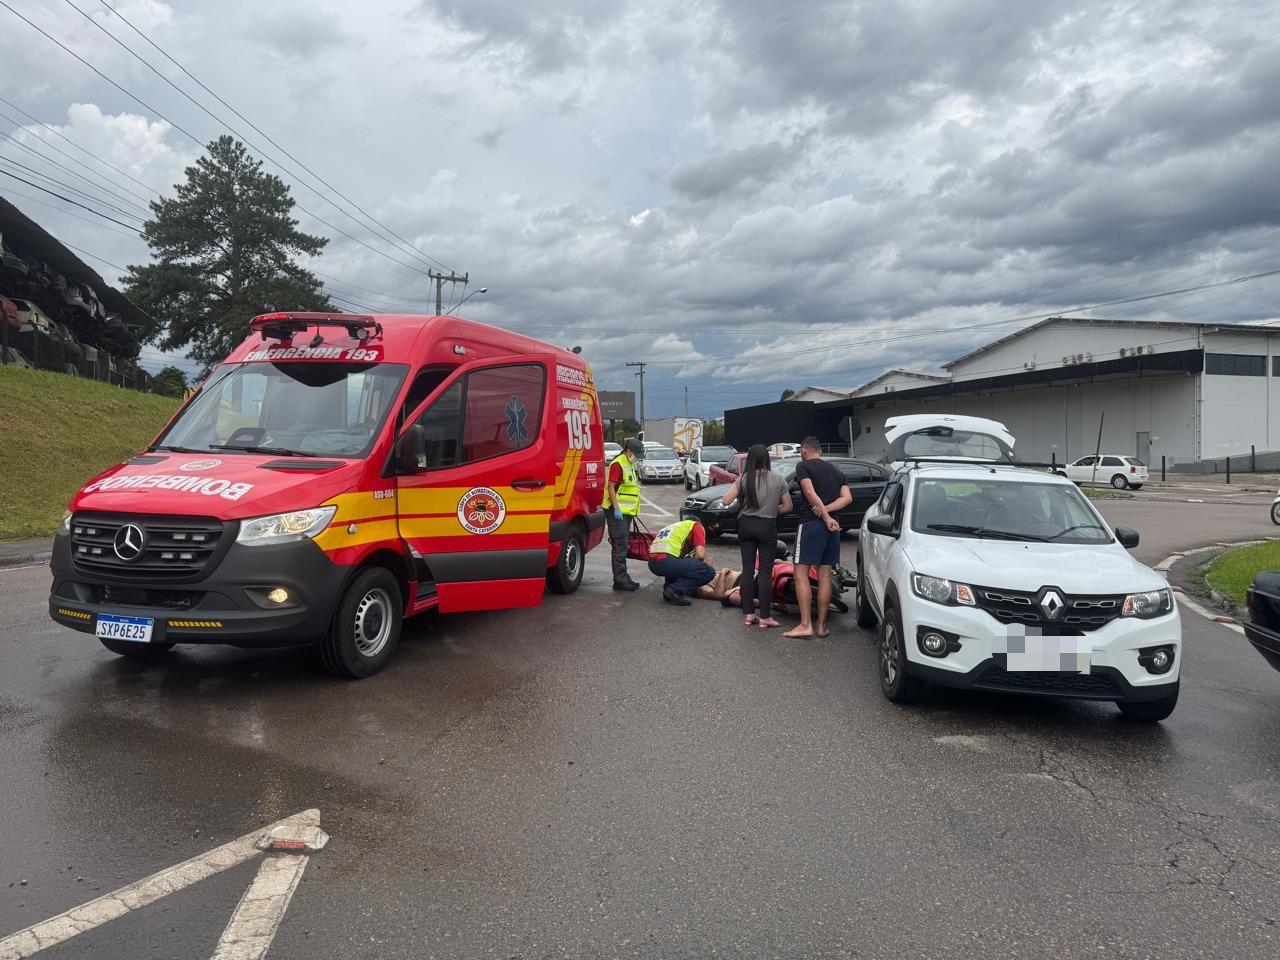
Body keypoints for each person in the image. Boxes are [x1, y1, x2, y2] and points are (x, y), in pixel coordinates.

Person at [784, 436, 851, 639]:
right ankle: (821, 626)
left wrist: (824, 514)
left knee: (800, 573)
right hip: (832, 530)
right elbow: (847, 498)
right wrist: (830, 514)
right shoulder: (837, 471)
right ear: (820, 450)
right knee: (824, 576)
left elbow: (809, 492)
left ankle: (806, 625)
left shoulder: (803, 467)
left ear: (804, 451)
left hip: (811, 525)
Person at [721, 443, 792, 629]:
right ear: (767, 459)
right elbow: (788, 507)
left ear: (750, 459)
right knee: (765, 573)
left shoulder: (744, 479)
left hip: (746, 525)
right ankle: (765, 618)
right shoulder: (779, 479)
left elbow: (725, 500)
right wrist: (771, 507)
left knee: (747, 570)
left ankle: (749, 614)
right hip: (767, 527)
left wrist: (745, 503)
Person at [604, 438, 644, 591]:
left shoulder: (629, 463)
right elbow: (611, 487)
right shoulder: (618, 464)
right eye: (636, 454)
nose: (638, 457)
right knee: (619, 545)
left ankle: (623, 577)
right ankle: (619, 581)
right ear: (629, 451)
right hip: (616, 512)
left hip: (625, 513)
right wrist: (616, 509)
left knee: (623, 545)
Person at [647, 518, 715, 605]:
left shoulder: (673, 527)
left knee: (679, 563)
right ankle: (674, 590)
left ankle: (669, 589)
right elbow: (700, 555)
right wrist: (702, 565)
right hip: (666, 562)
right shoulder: (695, 525)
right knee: (708, 571)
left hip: (653, 564)